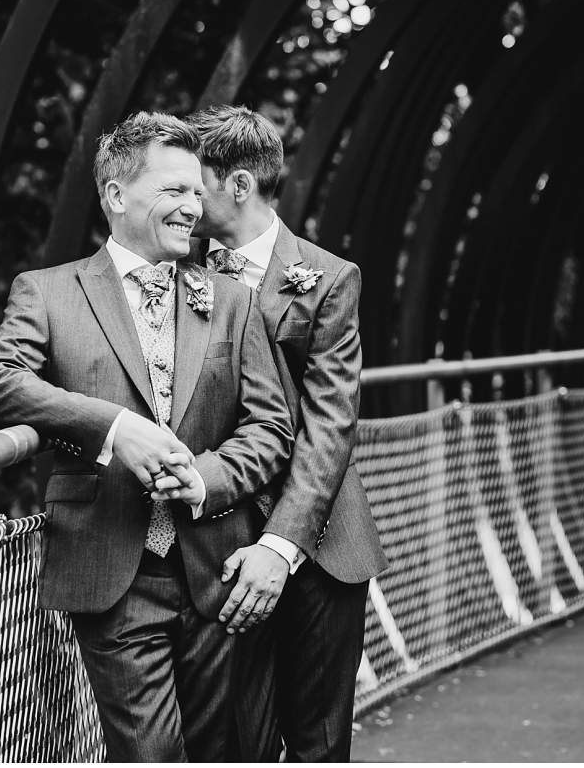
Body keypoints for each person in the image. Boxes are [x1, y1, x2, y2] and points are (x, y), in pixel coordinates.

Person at [0, 111, 293, 761]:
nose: (192, 205)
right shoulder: (50, 292)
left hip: (217, 571)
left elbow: (271, 425)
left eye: (196, 191)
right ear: (117, 195)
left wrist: (207, 476)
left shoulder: (231, 298)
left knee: (220, 752)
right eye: (173, 189)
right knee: (150, 754)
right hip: (113, 567)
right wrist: (115, 428)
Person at [178, 104, 387, 761]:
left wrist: (280, 545)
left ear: (238, 185)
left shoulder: (328, 279)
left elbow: (330, 427)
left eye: (193, 181)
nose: (181, 198)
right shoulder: (175, 275)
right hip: (216, 548)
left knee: (320, 744)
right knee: (232, 745)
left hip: (320, 545)